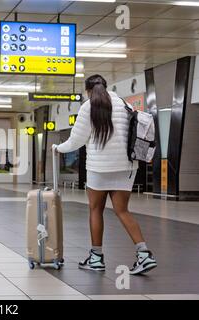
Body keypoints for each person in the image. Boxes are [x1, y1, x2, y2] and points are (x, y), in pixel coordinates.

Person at [53, 74, 157, 275]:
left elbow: (76, 141)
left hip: (99, 169)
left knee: (95, 210)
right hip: (126, 167)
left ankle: (96, 258)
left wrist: (58, 148)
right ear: (106, 87)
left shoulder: (88, 106)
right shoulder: (125, 104)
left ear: (88, 90)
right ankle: (144, 254)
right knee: (122, 211)